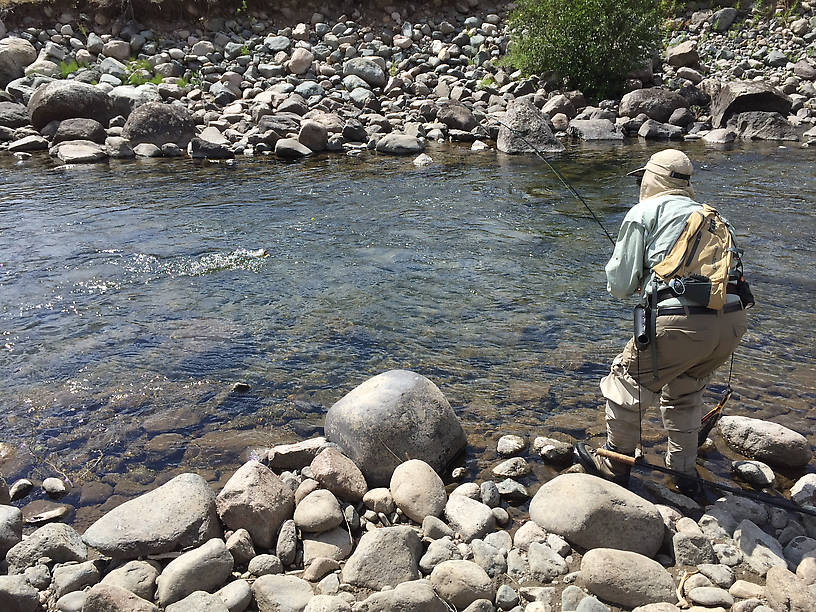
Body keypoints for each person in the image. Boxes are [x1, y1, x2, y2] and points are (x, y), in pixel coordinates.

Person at [576, 149, 748, 494]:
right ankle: (683, 476)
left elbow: (620, 285)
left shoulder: (645, 211)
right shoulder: (714, 216)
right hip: (732, 321)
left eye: (643, 179)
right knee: (686, 389)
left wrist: (640, 279)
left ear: (652, 179)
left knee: (627, 381)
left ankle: (614, 464)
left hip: (681, 321)